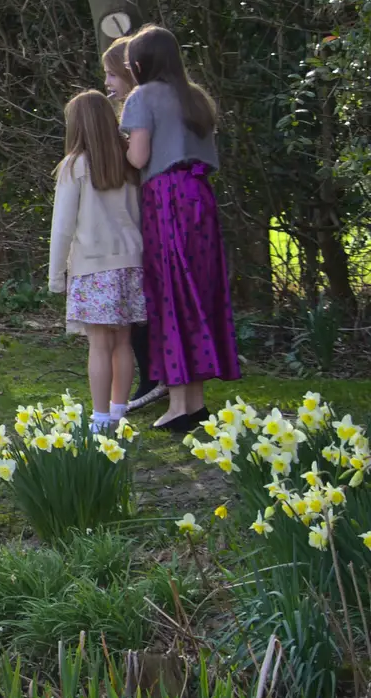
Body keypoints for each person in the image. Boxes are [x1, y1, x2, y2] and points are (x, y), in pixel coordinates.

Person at [120, 25, 240, 432]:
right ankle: (195, 402)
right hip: (200, 196)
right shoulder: (196, 97)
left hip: (166, 198)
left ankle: (177, 405)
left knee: (170, 294)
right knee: (199, 293)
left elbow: (138, 158)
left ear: (139, 64)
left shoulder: (143, 96)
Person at [48, 90, 147, 433]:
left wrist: (56, 274)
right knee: (123, 341)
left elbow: (62, 228)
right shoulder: (128, 163)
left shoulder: (74, 166)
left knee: (99, 345)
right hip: (132, 263)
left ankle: (100, 416)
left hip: (93, 266)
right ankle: (119, 409)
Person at [102, 35, 163, 413]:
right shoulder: (133, 105)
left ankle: (153, 376)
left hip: (147, 208)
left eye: (110, 74)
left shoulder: (140, 104)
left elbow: (135, 158)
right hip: (140, 209)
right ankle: (151, 375)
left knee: (142, 298)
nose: (107, 82)